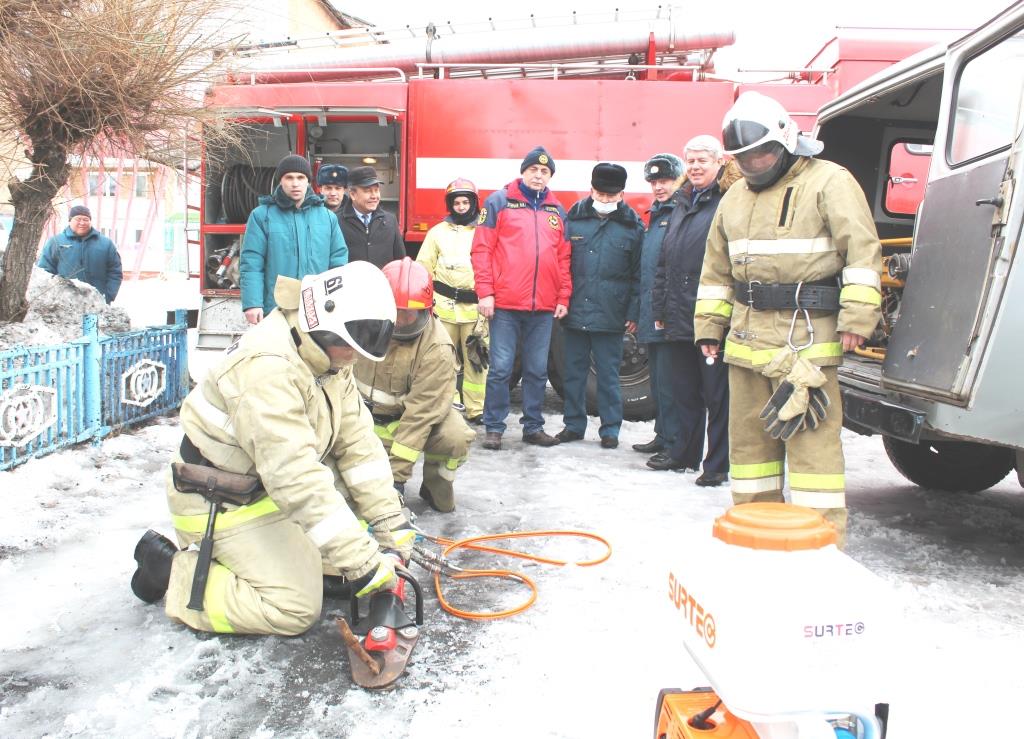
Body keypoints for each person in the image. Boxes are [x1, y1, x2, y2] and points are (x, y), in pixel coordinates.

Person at [130, 262, 417, 636]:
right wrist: (363, 561)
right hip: (219, 498)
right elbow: (295, 477)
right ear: (328, 326)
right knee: (294, 607)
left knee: (354, 547)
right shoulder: (268, 368)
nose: (355, 358)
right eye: (351, 348)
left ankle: (303, 565)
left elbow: (358, 445)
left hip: (263, 485)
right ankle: (171, 574)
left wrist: (388, 524)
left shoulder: (326, 352)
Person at [695, 91, 884, 545]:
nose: (755, 164)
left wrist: (857, 317)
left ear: (786, 141)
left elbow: (862, 252)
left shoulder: (829, 182)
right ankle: (754, 533)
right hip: (745, 342)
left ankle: (819, 544)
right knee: (749, 450)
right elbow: (716, 271)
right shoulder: (734, 198)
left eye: (762, 154)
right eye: (744, 158)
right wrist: (709, 327)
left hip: (806, 344)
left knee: (812, 451)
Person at [471, 145, 572, 450]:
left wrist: (563, 296)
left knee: (537, 370)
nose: (539, 175)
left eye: (545, 172)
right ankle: (494, 427)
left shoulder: (557, 210)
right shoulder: (499, 202)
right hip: (504, 305)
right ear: (523, 172)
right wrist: (485, 293)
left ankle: (533, 427)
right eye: (534, 170)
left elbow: (564, 257)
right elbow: (482, 250)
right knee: (501, 368)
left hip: (542, 307)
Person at [354, 258, 475, 513]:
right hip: (359, 421)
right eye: (395, 310)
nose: (399, 319)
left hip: (410, 424)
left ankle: (435, 488)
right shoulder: (361, 323)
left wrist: (396, 478)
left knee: (455, 436)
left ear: (425, 310)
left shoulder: (437, 348)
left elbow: (419, 416)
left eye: (408, 313)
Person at [649, 136, 732, 487]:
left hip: (712, 315)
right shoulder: (683, 201)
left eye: (703, 160)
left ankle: (716, 466)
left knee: (717, 395)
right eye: (691, 161)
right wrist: (660, 307)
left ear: (719, 163)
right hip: (680, 313)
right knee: (685, 390)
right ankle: (684, 454)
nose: (696, 167)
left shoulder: (727, 200)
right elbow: (665, 260)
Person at [556, 163, 643, 449]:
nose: (605, 200)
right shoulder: (574, 220)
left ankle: (610, 429)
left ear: (621, 194)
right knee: (573, 373)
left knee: (607, 375)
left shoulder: (632, 227)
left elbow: (638, 274)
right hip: (576, 310)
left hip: (611, 313)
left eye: (611, 195)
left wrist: (632, 312)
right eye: (601, 194)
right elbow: (562, 265)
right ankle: (573, 425)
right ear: (591, 190)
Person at [239, 154, 347, 325]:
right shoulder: (261, 216)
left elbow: (338, 263)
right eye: (289, 177)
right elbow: (252, 262)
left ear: (308, 181)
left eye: (300, 177)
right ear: (280, 180)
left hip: (317, 309)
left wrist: (335, 301)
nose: (295, 183)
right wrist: (252, 303)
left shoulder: (327, 218)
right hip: (275, 309)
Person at [416, 178, 487, 423]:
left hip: (475, 310)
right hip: (443, 308)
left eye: (466, 202)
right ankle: (449, 403)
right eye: (456, 202)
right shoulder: (437, 233)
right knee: (444, 360)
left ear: (474, 203)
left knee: (477, 360)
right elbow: (423, 267)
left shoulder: (483, 231)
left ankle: (476, 409)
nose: (461, 206)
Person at [631, 154, 685, 459]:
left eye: (664, 180)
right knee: (659, 379)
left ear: (677, 179)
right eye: (654, 182)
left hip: (669, 312)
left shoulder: (679, 212)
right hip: (654, 310)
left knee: (672, 381)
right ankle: (663, 434)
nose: (658, 187)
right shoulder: (658, 213)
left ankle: (675, 441)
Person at [38, 205, 122, 304]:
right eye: (78, 219)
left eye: (86, 219)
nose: (82, 223)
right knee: (69, 320)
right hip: (64, 303)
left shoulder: (106, 244)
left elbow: (115, 271)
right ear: (70, 220)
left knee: (92, 320)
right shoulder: (55, 242)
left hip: (96, 303)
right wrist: (54, 296)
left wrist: (108, 296)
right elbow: (44, 271)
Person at [339, 166, 406, 267]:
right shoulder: (337, 222)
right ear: (352, 194)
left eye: (376, 190)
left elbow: (401, 261)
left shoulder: (390, 220)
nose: (374, 196)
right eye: (368, 191)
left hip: (383, 282)